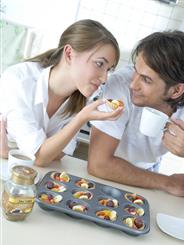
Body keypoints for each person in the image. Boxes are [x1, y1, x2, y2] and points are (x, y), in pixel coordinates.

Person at [88, 30, 184, 201]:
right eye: (135, 70)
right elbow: (99, 164)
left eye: (146, 80)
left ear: (176, 90)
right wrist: (167, 182)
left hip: (148, 171)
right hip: (109, 169)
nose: (133, 84)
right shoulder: (120, 84)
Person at [0, 19, 123, 166]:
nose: (104, 79)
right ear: (69, 54)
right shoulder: (19, 81)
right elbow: (40, 158)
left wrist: (30, 152)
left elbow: (57, 154)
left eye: (108, 69)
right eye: (99, 64)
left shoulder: (82, 99)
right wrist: (81, 118)